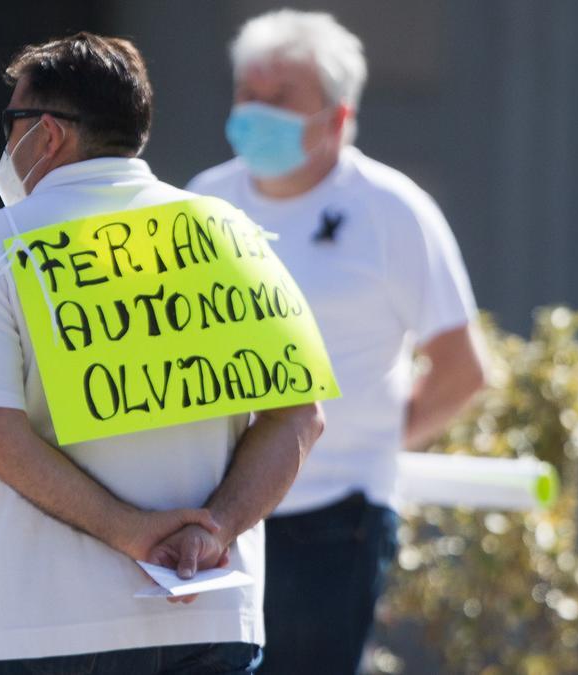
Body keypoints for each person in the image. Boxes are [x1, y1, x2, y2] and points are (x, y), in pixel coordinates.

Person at [0, 32, 325, 674]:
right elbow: (299, 415)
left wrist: (130, 533)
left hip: (48, 628)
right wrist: (215, 530)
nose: (7, 144)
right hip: (210, 619)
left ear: (49, 134)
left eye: (14, 122)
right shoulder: (227, 231)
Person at [186, 9, 487, 674]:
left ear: (338, 118)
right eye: (248, 95)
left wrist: (374, 440)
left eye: (281, 99)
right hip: (221, 516)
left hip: (336, 517)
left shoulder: (392, 210)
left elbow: (462, 368)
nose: (257, 113)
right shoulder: (201, 206)